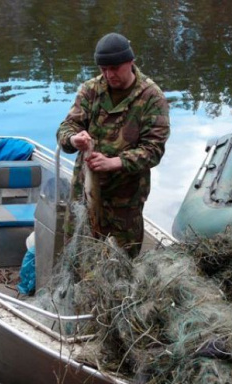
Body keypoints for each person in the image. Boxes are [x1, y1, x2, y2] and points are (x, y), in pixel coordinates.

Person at [57, 32, 170, 258]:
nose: (109, 75)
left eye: (115, 68)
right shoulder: (90, 90)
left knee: (120, 263)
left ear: (130, 62)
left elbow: (154, 150)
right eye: (103, 69)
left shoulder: (151, 97)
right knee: (77, 255)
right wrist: (73, 139)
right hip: (84, 195)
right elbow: (66, 127)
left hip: (125, 203)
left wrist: (114, 163)